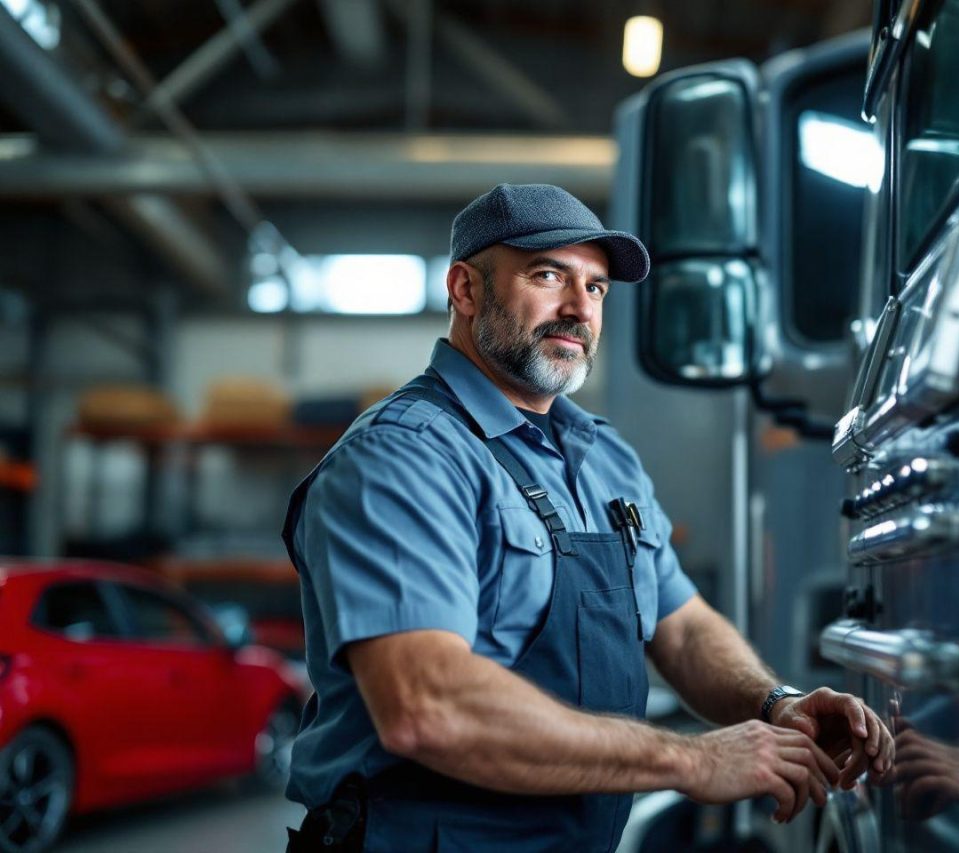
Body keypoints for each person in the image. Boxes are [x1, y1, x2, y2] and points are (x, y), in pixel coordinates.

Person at [282, 183, 894, 852]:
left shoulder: (605, 457)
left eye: (597, 288)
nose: (578, 309)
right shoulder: (405, 456)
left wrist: (778, 704)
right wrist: (693, 759)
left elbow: (681, 626)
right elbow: (426, 706)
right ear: (465, 290)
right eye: (548, 275)